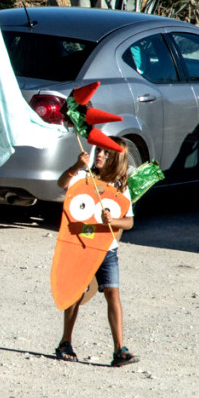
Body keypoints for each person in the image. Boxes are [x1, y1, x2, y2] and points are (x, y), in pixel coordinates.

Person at [55, 138, 140, 368]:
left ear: (117, 158)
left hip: (107, 248)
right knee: (75, 291)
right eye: (98, 150)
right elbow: (61, 183)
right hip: (81, 245)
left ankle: (119, 350)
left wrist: (114, 220)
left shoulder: (120, 188)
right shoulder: (85, 177)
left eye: (106, 152)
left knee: (113, 293)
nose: (99, 155)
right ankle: (65, 342)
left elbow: (129, 222)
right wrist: (75, 167)